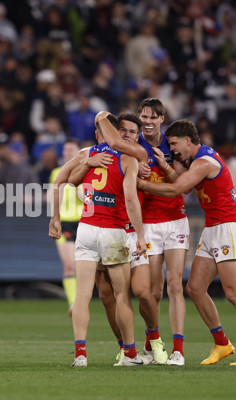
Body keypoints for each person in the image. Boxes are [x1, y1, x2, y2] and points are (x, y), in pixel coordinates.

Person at [138, 119, 236, 366]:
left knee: (233, 293)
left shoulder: (204, 162)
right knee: (194, 288)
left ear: (188, 140)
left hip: (227, 228)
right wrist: (164, 164)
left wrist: (141, 184)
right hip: (212, 229)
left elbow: (177, 189)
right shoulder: (199, 160)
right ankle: (222, 344)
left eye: (174, 144)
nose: (172, 149)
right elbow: (181, 182)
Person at [50, 112, 150, 367]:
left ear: (98, 134)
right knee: (122, 296)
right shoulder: (129, 157)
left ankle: (81, 354)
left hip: (86, 230)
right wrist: (140, 235)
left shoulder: (87, 154)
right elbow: (130, 199)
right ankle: (129, 354)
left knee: (82, 295)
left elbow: (63, 181)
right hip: (113, 232)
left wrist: (55, 219)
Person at [71, 113, 168, 366]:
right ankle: (125, 350)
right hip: (115, 231)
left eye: (131, 132)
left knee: (143, 294)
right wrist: (88, 163)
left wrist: (101, 119)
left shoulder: (138, 154)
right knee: (109, 296)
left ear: (138, 136)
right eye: (121, 130)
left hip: (127, 230)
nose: (125, 135)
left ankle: (153, 341)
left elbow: (69, 182)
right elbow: (68, 180)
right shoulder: (104, 155)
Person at [136, 98, 188, 366]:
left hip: (175, 219)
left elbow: (181, 182)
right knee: (153, 292)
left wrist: (163, 166)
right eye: (144, 116)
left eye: (153, 117)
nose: (147, 121)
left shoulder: (172, 144)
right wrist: (136, 174)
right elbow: (122, 177)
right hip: (147, 224)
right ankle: (152, 341)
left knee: (176, 286)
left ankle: (178, 350)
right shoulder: (133, 146)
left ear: (161, 119)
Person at [48, 138, 83, 316]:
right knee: (69, 266)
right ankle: (73, 304)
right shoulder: (57, 172)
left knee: (82, 266)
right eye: (66, 150)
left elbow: (87, 197)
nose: (69, 153)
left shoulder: (86, 171)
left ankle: (81, 301)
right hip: (65, 222)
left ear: (79, 152)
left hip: (84, 223)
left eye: (72, 150)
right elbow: (53, 195)